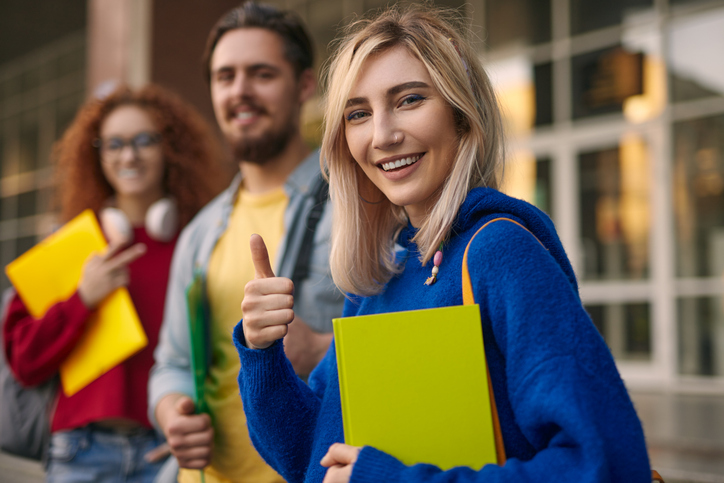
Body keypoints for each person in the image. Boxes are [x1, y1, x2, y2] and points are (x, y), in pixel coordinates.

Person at [235, 5, 653, 483]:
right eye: (358, 113)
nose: (384, 135)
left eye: (409, 99)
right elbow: (314, 456)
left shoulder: (502, 254)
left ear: (461, 116)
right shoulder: (380, 277)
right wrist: (262, 351)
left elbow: (606, 465)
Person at [148, 2, 345, 482]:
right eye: (224, 76)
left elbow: (411, 336)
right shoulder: (200, 233)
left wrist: (322, 349)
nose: (240, 92)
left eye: (261, 74)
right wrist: (173, 413)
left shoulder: (357, 207)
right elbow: (171, 364)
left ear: (303, 85)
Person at [2, 83, 225, 482]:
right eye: (113, 144)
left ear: (170, 148)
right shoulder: (72, 246)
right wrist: (81, 299)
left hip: (165, 453)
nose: (129, 155)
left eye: (144, 140)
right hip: (80, 452)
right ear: (98, 155)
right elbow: (23, 363)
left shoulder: (198, 243)